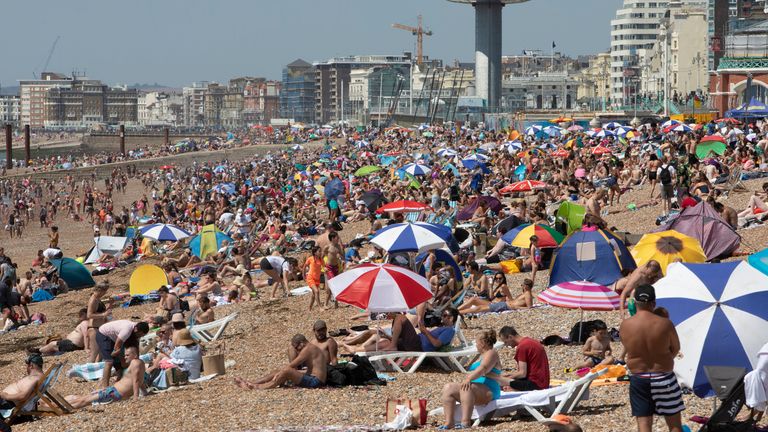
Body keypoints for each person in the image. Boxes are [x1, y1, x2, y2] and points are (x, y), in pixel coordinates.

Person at [620, 284, 684, 432]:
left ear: (635, 303)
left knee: (644, 426)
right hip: (664, 377)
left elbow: (629, 349)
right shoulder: (665, 324)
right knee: (674, 425)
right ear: (653, 303)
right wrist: (664, 358)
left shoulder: (625, 325)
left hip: (639, 378)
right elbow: (675, 348)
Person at [440, 330, 502, 429]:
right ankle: (449, 422)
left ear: (482, 343)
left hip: (489, 389)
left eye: (476, 343)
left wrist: (469, 378)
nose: (476, 345)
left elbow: (483, 369)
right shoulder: (483, 355)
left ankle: (465, 422)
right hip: (476, 389)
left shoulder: (491, 353)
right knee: (449, 388)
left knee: (467, 387)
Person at [233, 334, 328, 390]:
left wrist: (280, 373)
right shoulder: (310, 347)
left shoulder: (308, 349)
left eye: (296, 347)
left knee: (286, 370)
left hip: (316, 382)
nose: (297, 350)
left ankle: (258, 387)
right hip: (313, 377)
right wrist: (278, 372)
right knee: (280, 370)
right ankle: (251, 382)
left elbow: (292, 365)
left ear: (302, 343)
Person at [63, 346, 146, 408]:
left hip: (113, 393)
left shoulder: (135, 363)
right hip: (112, 391)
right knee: (84, 398)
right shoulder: (140, 363)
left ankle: (62, 407)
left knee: (84, 400)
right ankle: (59, 405)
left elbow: (137, 380)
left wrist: (136, 397)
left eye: (127, 355)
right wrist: (145, 392)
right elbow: (140, 380)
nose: (125, 357)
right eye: (125, 355)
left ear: (135, 355)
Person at [96, 320, 149, 389]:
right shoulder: (126, 330)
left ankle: (119, 383)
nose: (139, 337)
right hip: (103, 334)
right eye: (139, 335)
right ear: (136, 330)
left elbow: (136, 348)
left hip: (115, 337)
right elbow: (117, 348)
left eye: (141, 336)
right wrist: (122, 360)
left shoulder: (136, 331)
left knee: (120, 364)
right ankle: (105, 387)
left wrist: (136, 361)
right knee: (109, 361)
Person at [498, 325, 550, 391]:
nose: (506, 345)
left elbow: (522, 374)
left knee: (499, 382)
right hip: (543, 382)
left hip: (535, 384)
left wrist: (507, 379)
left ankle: (514, 389)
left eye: (506, 342)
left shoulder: (522, 347)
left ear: (510, 337)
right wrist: (511, 375)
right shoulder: (530, 341)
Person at [0, 354, 44, 420]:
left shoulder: (33, 378)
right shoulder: (40, 377)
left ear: (31, 366)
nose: (26, 367)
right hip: (8, 403)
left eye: (27, 365)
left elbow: (22, 396)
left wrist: (6, 396)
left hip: (7, 404)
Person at [458, 278, 533, 314]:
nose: (521, 286)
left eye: (522, 285)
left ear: (526, 286)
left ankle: (458, 313)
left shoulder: (527, 294)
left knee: (479, 308)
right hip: (501, 304)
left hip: (504, 306)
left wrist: (516, 307)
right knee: (473, 299)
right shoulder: (525, 294)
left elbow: (529, 307)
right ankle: (456, 310)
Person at [86, 282, 112, 363]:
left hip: (99, 328)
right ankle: (88, 372)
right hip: (94, 328)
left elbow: (103, 312)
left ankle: (96, 372)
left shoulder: (97, 299)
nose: (105, 293)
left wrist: (111, 304)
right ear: (100, 290)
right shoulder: (93, 299)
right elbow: (89, 315)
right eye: (105, 291)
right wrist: (104, 314)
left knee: (101, 352)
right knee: (94, 353)